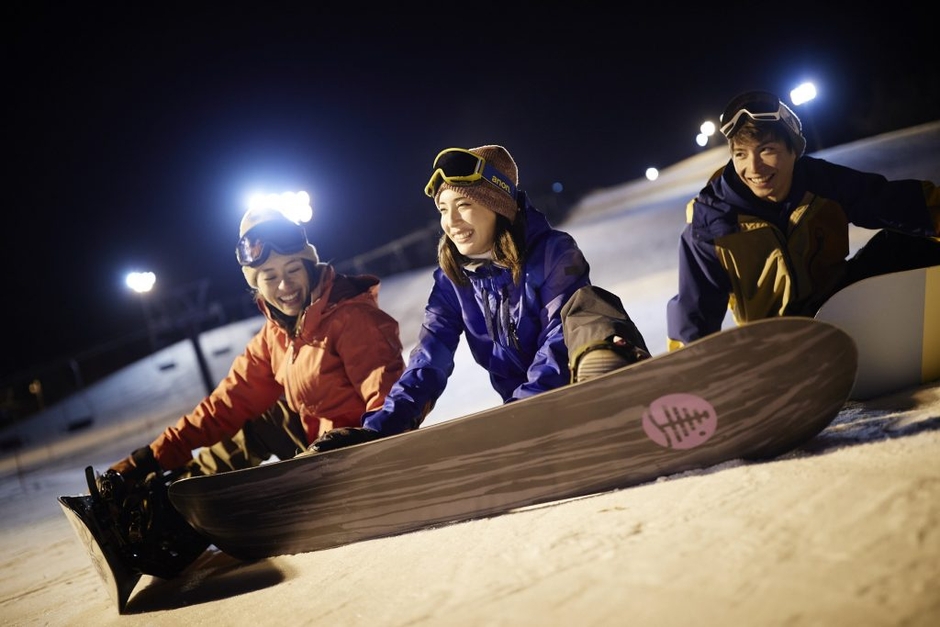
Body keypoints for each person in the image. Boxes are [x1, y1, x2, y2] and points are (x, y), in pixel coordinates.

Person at [97, 205, 406, 575]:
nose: (284, 286)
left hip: (354, 451)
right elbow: (226, 404)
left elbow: (386, 390)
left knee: (276, 421)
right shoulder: (276, 335)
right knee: (262, 424)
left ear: (309, 266)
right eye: (269, 276)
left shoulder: (351, 316)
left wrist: (373, 441)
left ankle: (184, 518)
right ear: (255, 283)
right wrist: (150, 457)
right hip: (314, 447)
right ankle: (169, 507)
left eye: (292, 270)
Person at [311, 145, 649, 452]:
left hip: (569, 389)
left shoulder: (552, 252)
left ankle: (609, 374)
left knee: (588, 303)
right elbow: (428, 360)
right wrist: (380, 428)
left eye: (464, 205)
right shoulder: (452, 281)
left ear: (498, 205)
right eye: (443, 209)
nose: (451, 222)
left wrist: (526, 408)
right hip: (525, 411)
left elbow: (557, 338)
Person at [666, 90, 940, 350]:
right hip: (775, 340)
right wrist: (687, 368)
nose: (753, 167)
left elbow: (893, 203)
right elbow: (694, 312)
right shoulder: (712, 222)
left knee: (898, 245)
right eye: (741, 154)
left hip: (838, 306)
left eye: (766, 150)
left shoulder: (820, 182)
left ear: (793, 151)